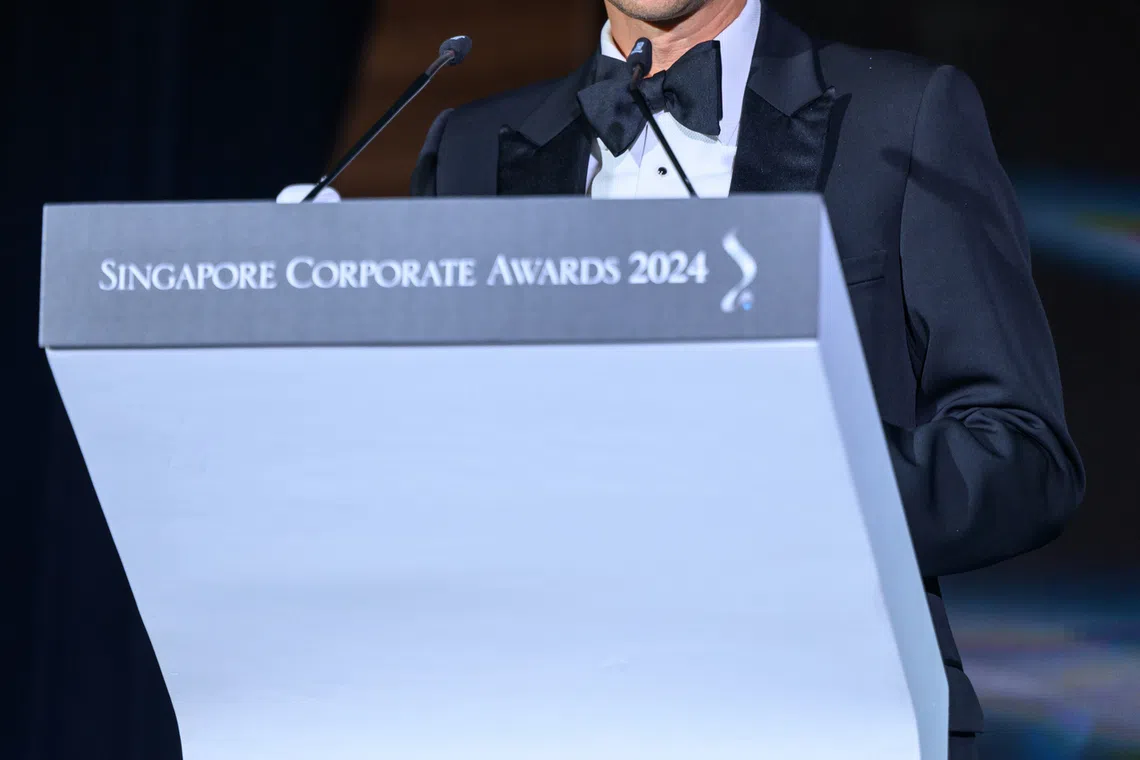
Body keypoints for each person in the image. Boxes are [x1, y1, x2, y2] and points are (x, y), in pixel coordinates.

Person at [411, 0, 1086, 756]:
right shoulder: (471, 147)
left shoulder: (902, 115)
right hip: (543, 713)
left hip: (826, 713)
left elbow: (1023, 454)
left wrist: (793, 491)